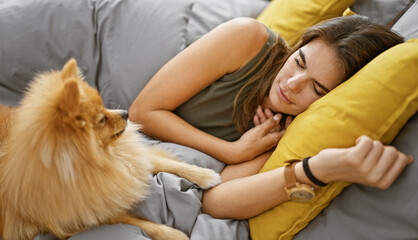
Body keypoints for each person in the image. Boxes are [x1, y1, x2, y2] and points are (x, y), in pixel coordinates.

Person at [129, 16, 413, 219]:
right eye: (299, 61)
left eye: (316, 88)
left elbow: (215, 201)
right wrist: (233, 150)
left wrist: (315, 170)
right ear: (299, 44)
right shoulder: (246, 38)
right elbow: (143, 112)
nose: (292, 84)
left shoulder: (288, 127)